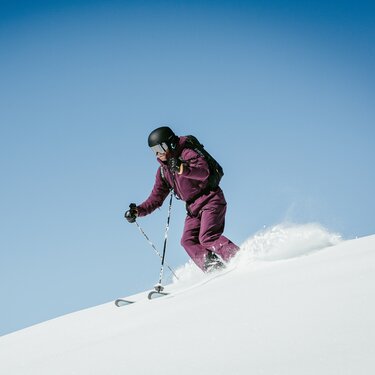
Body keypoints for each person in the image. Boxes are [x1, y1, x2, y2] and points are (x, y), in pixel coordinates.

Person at [124, 126, 240, 272]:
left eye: (160, 148)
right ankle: (215, 269)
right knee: (187, 241)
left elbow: (203, 171)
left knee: (207, 237)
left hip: (211, 199)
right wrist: (138, 211)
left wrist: (182, 168)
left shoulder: (187, 153)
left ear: (171, 144)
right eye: (154, 151)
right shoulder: (163, 172)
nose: (158, 154)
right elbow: (156, 198)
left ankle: (238, 258)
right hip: (192, 208)